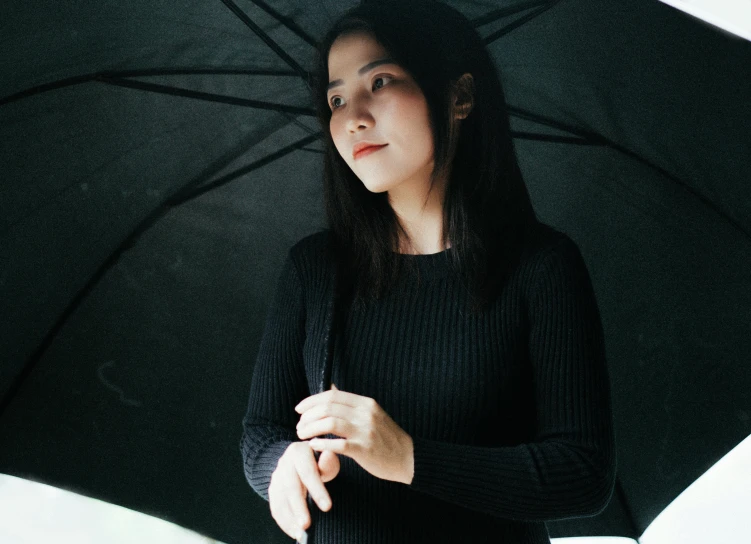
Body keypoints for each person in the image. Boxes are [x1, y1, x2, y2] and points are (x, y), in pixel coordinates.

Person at [239, 1, 617, 542]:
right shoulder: (315, 269)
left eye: (381, 81)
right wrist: (281, 465)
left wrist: (409, 457)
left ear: (459, 96)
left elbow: (582, 473)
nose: (353, 118)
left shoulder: (541, 267)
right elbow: (263, 432)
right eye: (336, 98)